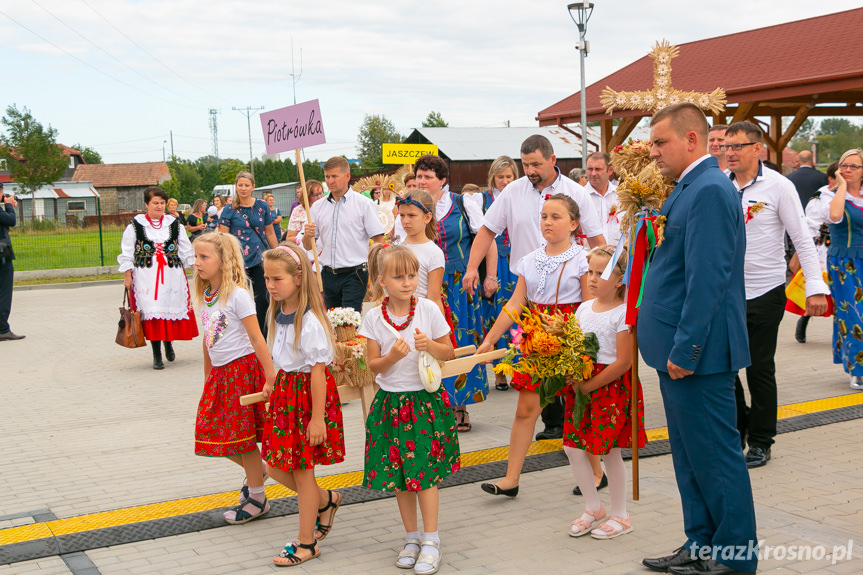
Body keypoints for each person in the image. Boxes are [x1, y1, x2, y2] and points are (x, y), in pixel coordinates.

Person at [639, 103, 757, 575]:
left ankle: (734, 557)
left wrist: (686, 348)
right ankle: (701, 542)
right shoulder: (688, 188)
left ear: (692, 140)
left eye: (660, 142)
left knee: (716, 457)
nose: (653, 152)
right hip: (678, 352)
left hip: (698, 354)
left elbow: (708, 279)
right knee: (691, 457)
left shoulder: (707, 190)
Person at [464, 134, 606, 441]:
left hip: (569, 293)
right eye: (525, 164)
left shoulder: (574, 192)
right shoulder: (513, 192)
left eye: (536, 164)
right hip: (528, 289)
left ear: (552, 160)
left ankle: (577, 435)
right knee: (532, 359)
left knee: (569, 366)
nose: (529, 170)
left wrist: (608, 283)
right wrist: (472, 267)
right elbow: (488, 229)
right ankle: (552, 424)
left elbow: (596, 239)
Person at [724, 121, 828, 468]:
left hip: (765, 291)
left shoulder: (779, 186)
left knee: (758, 368)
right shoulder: (719, 185)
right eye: (727, 146)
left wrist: (815, 287)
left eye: (738, 146)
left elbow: (802, 238)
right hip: (724, 292)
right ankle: (737, 429)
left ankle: (761, 440)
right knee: (726, 368)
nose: (730, 153)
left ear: (758, 149)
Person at [476, 194, 589, 498]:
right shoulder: (530, 259)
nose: (548, 222)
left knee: (578, 409)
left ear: (574, 224)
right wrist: (489, 340)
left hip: (572, 334)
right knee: (526, 411)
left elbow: (590, 307)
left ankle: (597, 473)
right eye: (544, 217)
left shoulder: (583, 259)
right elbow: (515, 304)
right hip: (536, 337)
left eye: (556, 217)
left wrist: (585, 346)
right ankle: (511, 479)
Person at [358, 245, 459, 575]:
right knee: (401, 477)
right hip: (390, 404)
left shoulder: (428, 309)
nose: (407, 282)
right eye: (399, 276)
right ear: (382, 280)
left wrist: (430, 346)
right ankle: (411, 538)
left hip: (424, 403)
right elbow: (372, 366)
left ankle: (431, 539)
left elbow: (449, 352)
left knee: (425, 474)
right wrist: (392, 358)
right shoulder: (373, 317)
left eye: (412, 275)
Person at [260, 245, 346, 566]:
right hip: (286, 396)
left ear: (298, 278)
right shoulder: (275, 313)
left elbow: (318, 374)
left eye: (276, 278)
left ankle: (307, 543)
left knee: (302, 472)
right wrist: (272, 385)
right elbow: (278, 357)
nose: (269, 284)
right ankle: (325, 501)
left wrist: (317, 418)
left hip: (307, 400)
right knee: (274, 466)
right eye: (267, 278)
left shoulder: (310, 322)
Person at [395, 154, 493, 432]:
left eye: (428, 176)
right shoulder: (407, 210)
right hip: (419, 285)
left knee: (455, 340)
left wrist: (482, 271)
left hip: (459, 284)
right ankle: (432, 407)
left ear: (442, 180)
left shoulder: (463, 203)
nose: (422, 181)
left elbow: (488, 238)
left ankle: (461, 407)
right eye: (419, 175)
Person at [192, 233, 275, 525]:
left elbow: (256, 337)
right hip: (220, 375)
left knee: (242, 440)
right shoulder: (206, 296)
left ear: (223, 261)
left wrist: (270, 375)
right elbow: (207, 339)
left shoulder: (237, 294)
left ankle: (257, 498)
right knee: (211, 431)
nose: (197, 263)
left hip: (241, 372)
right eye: (196, 256)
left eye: (204, 257)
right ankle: (259, 470)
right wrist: (207, 377)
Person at [566, 245, 646, 539]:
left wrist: (588, 385)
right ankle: (593, 507)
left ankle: (621, 514)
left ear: (620, 280)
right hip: (582, 385)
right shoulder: (583, 308)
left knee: (610, 451)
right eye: (590, 271)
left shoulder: (624, 313)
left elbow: (624, 362)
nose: (593, 278)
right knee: (573, 446)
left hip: (610, 388)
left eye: (601, 273)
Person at [118, 187, 198, 369]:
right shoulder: (135, 226)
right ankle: (156, 354)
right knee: (151, 311)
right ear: (147, 204)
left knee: (168, 309)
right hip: (146, 276)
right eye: (155, 203)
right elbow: (127, 252)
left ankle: (168, 343)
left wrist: (197, 268)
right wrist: (127, 275)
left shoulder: (175, 224)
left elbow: (186, 250)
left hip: (171, 275)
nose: (159, 206)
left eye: (162, 203)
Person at [303, 157, 385, 311]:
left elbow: (378, 240)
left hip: (354, 274)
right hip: (327, 274)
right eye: (327, 177)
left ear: (347, 176)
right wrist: (307, 235)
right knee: (332, 322)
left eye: (334, 176)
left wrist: (375, 273)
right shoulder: (317, 207)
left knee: (349, 323)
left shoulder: (364, 204)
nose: (330, 181)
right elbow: (308, 246)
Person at [821, 149, 863, 390]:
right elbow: (835, 215)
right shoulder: (829, 195)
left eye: (853, 166)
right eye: (843, 165)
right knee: (852, 313)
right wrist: (842, 186)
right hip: (845, 261)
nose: (847, 169)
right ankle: (857, 369)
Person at [219, 172, 279, 335]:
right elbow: (222, 238)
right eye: (240, 185)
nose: (243, 188)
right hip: (237, 262)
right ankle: (241, 336)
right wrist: (224, 262)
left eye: (247, 185)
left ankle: (263, 337)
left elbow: (270, 233)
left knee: (264, 300)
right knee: (238, 301)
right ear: (236, 187)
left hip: (260, 259)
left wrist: (278, 253)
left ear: (253, 187)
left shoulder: (262, 206)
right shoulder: (229, 210)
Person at [481, 156, 520, 392]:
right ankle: (499, 371)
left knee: (518, 317)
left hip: (517, 261)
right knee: (497, 316)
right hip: (494, 266)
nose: (505, 181)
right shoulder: (482, 199)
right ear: (492, 178)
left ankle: (518, 367)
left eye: (509, 176)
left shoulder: (521, 196)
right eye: (500, 177)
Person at [795, 161, 838, 343]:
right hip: (824, 248)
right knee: (822, 288)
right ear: (831, 178)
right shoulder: (822, 195)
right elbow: (811, 224)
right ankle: (804, 319)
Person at [390, 190, 446, 318]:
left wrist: (440, 334)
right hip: (395, 313)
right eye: (402, 215)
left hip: (420, 316)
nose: (405, 221)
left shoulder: (433, 253)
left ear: (427, 217)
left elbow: (434, 298)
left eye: (411, 215)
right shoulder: (396, 246)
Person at [583, 152, 622, 245]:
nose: (593, 173)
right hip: (589, 256)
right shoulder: (580, 196)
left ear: (610, 170)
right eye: (590, 169)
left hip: (619, 256)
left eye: (598, 169)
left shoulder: (621, 196)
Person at [0, 186, 23, 341]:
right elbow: (11, 220)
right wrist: (9, 206)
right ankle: (3, 330)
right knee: (4, 292)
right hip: (2, 255)